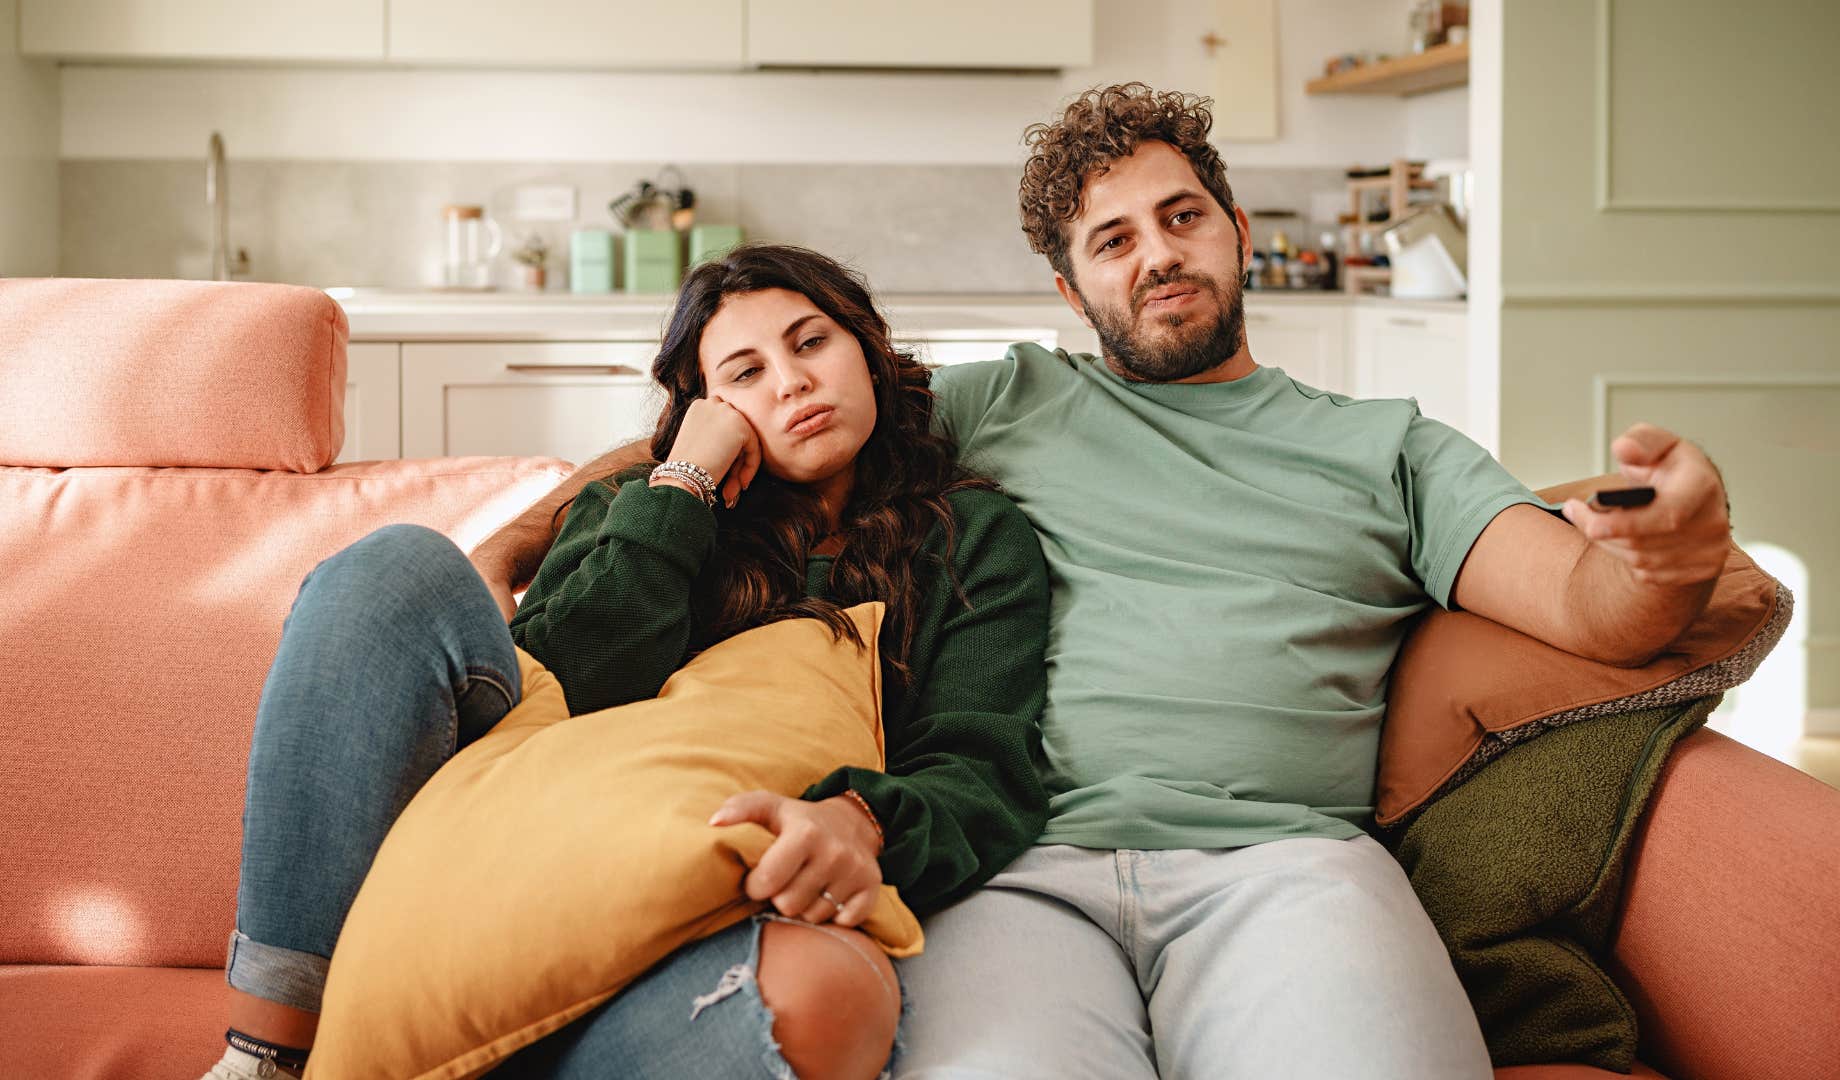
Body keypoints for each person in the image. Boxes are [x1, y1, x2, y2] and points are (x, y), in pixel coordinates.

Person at [878, 84, 1735, 1078]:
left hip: (1288, 872)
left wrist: (1671, 562)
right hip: (1015, 871)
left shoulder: (1391, 448)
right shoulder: (998, 401)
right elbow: (798, 429)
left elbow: (1595, 607)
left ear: (1239, 233)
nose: (1158, 255)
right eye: (1114, 241)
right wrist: (713, 444)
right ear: (1073, 293)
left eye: (1182, 217)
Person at [201, 244, 1051, 1080]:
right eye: (746, 372)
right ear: (706, 407)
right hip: (528, 845)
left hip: (716, 910)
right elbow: (573, 685)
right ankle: (265, 1061)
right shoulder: (639, 503)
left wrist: (861, 820)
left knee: (830, 993)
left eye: (811, 343)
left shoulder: (971, 537)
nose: (792, 382)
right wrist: (682, 486)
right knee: (395, 564)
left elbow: (982, 763)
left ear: (866, 350)